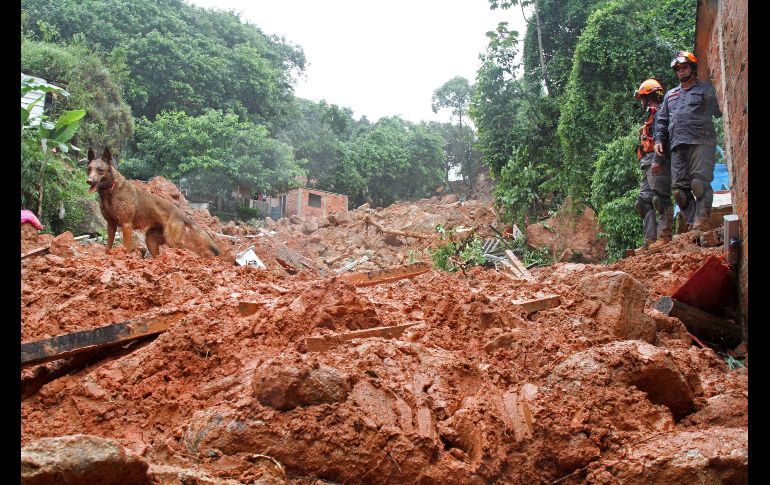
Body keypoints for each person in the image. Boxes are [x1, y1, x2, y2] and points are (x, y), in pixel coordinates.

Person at [654, 50, 722, 232]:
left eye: (684, 67)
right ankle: (693, 224)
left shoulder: (705, 90)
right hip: (677, 145)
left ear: (692, 68)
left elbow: (718, 111)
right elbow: (662, 121)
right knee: (679, 192)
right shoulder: (671, 95)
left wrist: (716, 86)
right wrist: (659, 140)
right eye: (678, 69)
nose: (681, 71)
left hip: (701, 141)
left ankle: (702, 222)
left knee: (699, 184)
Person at [633, 78, 673, 251]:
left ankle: (664, 237)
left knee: (660, 199)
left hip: (657, 161)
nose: (641, 101)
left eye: (642, 98)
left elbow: (661, 139)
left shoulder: (660, 114)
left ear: (649, 97)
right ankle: (650, 241)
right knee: (643, 202)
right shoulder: (651, 116)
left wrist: (658, 160)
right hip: (647, 163)